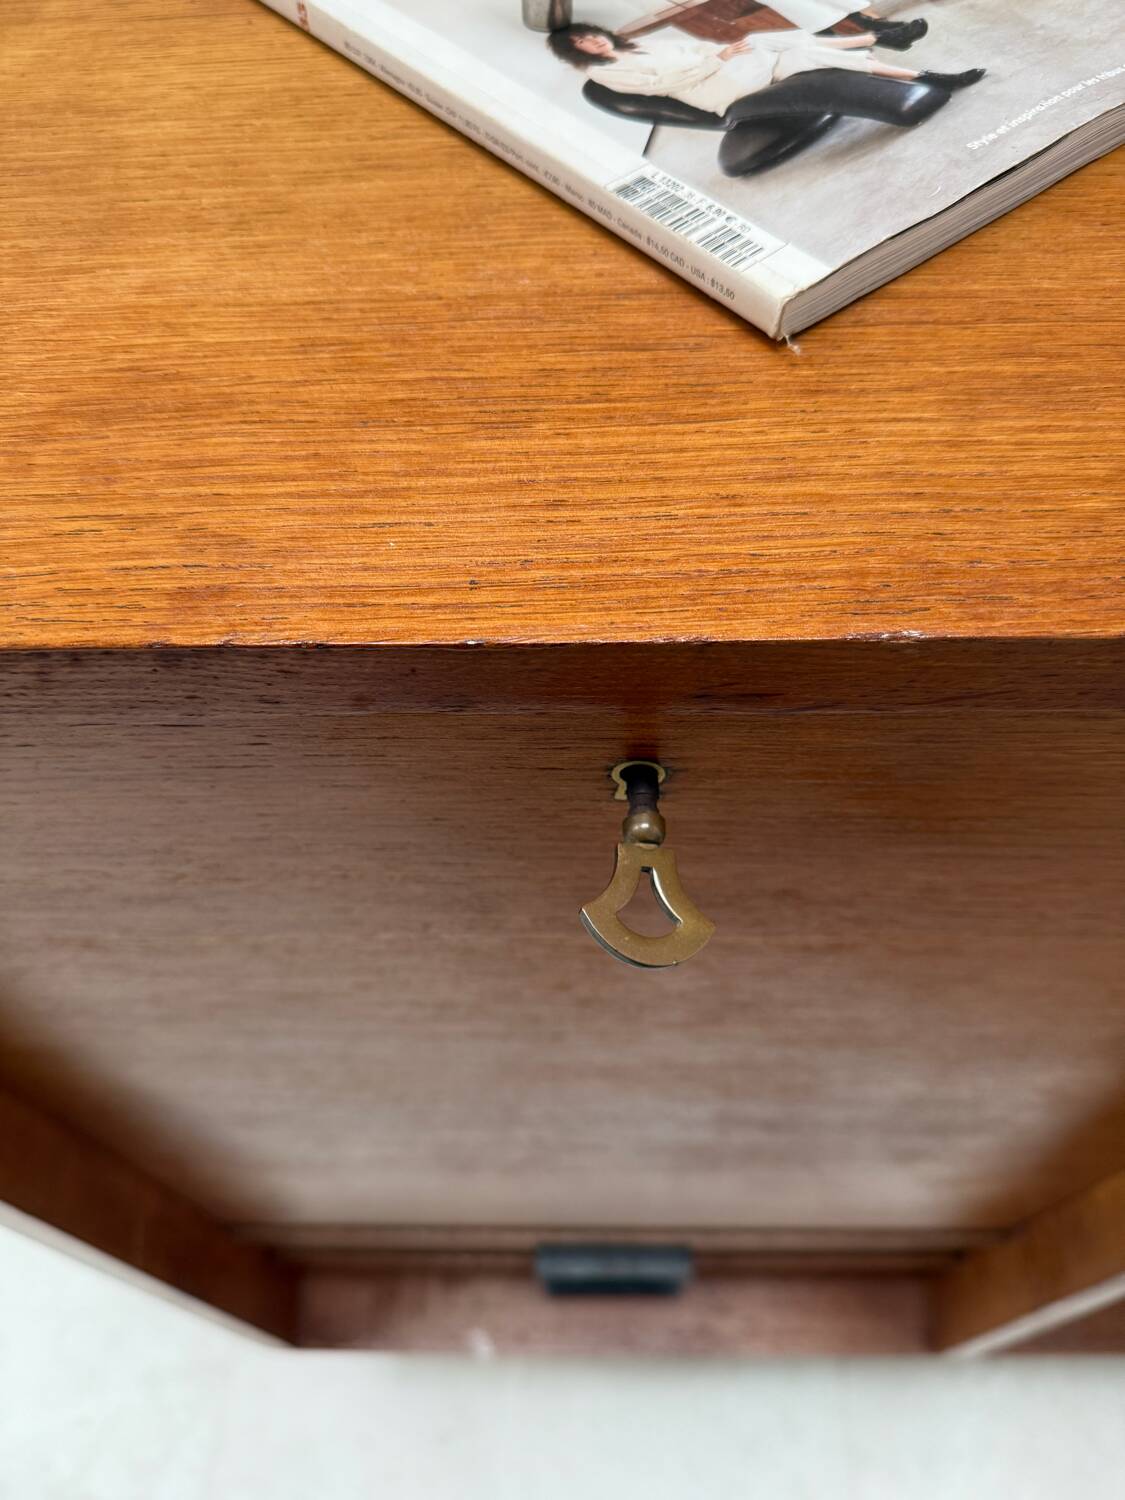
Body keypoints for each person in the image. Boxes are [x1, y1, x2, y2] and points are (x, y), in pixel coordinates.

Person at [546, 23, 985, 115]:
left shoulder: (645, 43)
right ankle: (878, 38)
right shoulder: (601, 73)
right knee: (760, 42)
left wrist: (713, 56)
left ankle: (929, 77)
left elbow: (697, 47)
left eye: (591, 33)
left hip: (723, 71)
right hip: (716, 93)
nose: (593, 42)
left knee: (808, 56)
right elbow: (661, 86)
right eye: (581, 43)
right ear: (577, 53)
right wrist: (716, 60)